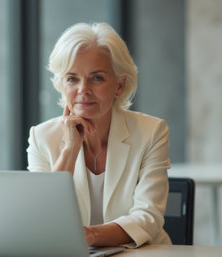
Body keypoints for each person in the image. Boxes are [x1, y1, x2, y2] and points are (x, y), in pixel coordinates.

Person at [26, 22, 171, 248]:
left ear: (120, 85)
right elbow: (41, 219)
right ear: (61, 85)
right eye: (72, 79)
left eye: (97, 78)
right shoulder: (41, 137)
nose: (83, 89)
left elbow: (148, 216)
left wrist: (90, 236)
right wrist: (70, 151)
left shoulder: (152, 132)